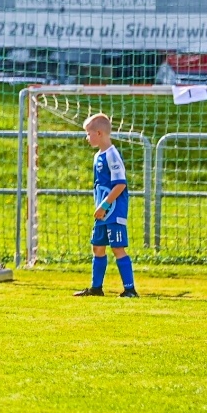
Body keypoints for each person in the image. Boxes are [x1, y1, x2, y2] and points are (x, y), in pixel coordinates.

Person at [74, 112, 137, 298]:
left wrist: (104, 205)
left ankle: (130, 289)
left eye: (88, 134)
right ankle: (96, 288)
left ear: (99, 133)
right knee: (98, 247)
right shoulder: (97, 156)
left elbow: (120, 184)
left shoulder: (112, 155)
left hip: (113, 210)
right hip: (102, 212)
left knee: (117, 248)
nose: (87, 138)